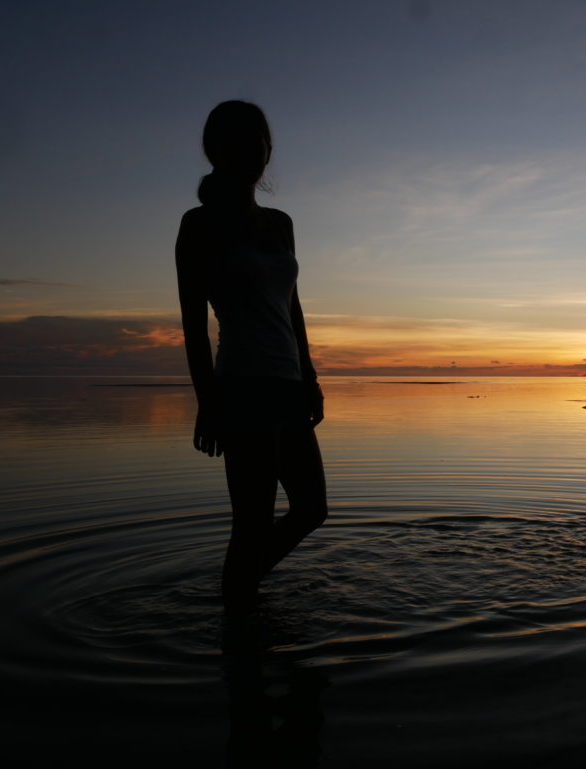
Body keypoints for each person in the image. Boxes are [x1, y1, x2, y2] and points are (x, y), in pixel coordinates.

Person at [175, 100, 327, 614]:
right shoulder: (198, 225)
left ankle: (239, 597)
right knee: (254, 520)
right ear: (216, 150)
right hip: (241, 385)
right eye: (241, 141)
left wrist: (310, 375)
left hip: (286, 383)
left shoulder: (280, 223)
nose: (255, 151)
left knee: (311, 508)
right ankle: (239, 635)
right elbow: (194, 327)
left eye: (261, 140)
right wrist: (208, 403)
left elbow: (294, 307)